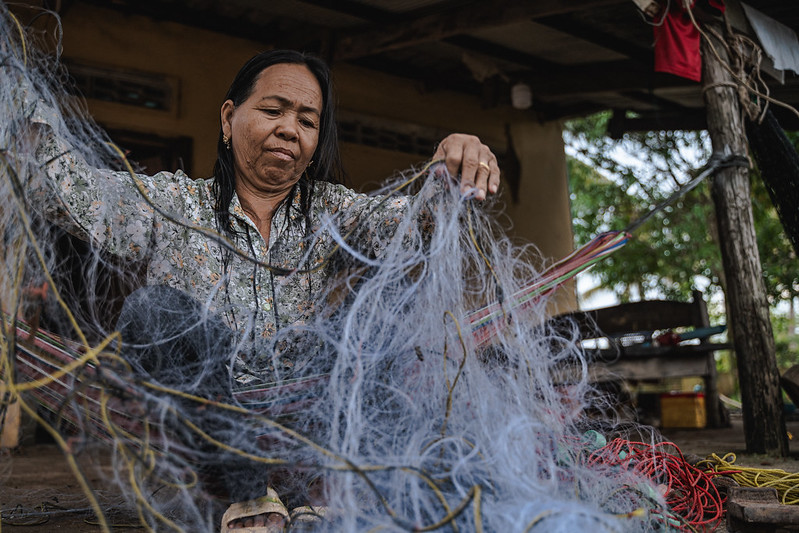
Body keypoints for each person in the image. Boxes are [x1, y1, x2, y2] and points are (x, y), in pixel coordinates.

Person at [27, 49, 501, 530]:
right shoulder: (172, 203)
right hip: (208, 418)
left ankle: (314, 486)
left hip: (308, 410)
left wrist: (451, 170)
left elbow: (408, 225)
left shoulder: (331, 211)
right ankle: (250, 492)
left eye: (307, 121)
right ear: (229, 119)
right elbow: (65, 190)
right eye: (273, 111)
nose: (290, 129)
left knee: (378, 312)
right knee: (150, 312)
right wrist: (19, 111)